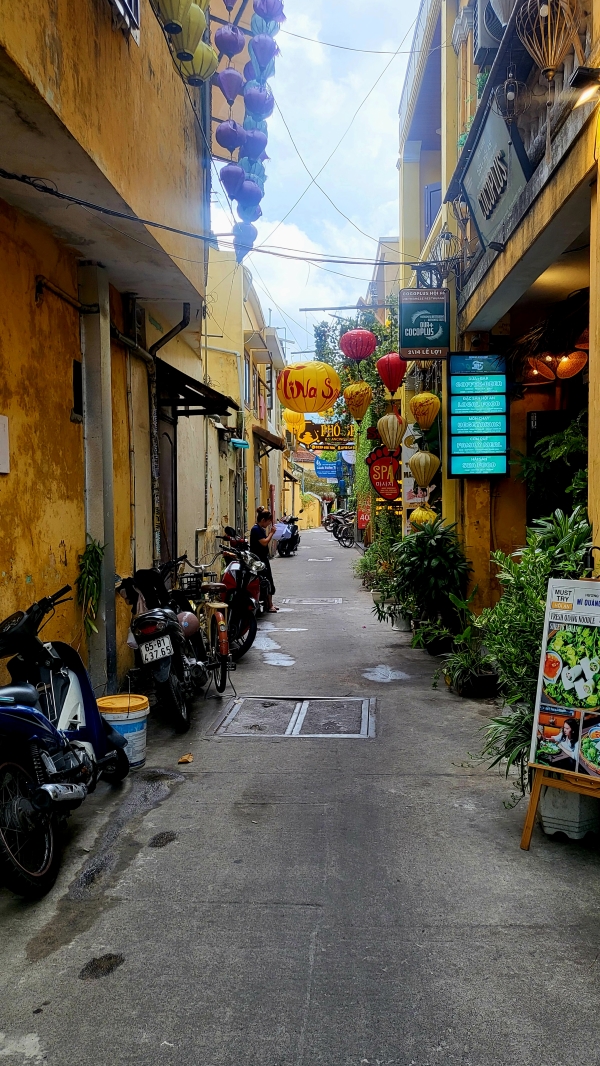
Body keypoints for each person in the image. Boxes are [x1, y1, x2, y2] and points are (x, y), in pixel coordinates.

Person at [250, 510, 278, 612]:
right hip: (259, 559)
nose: (268, 525)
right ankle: (270, 605)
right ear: (263, 520)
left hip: (261, 558)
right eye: (268, 522)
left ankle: (268, 604)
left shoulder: (259, 529)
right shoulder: (256, 529)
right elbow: (264, 542)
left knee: (267, 580)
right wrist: (271, 533)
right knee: (266, 580)